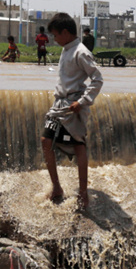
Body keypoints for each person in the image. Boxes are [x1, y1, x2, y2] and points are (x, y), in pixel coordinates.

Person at [41, 12, 104, 212]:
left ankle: (83, 193)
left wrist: (83, 101)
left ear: (66, 33)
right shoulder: (66, 48)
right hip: (60, 105)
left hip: (72, 107)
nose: (54, 39)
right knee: (46, 140)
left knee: (79, 146)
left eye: (55, 35)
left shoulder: (81, 52)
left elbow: (97, 79)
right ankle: (57, 187)